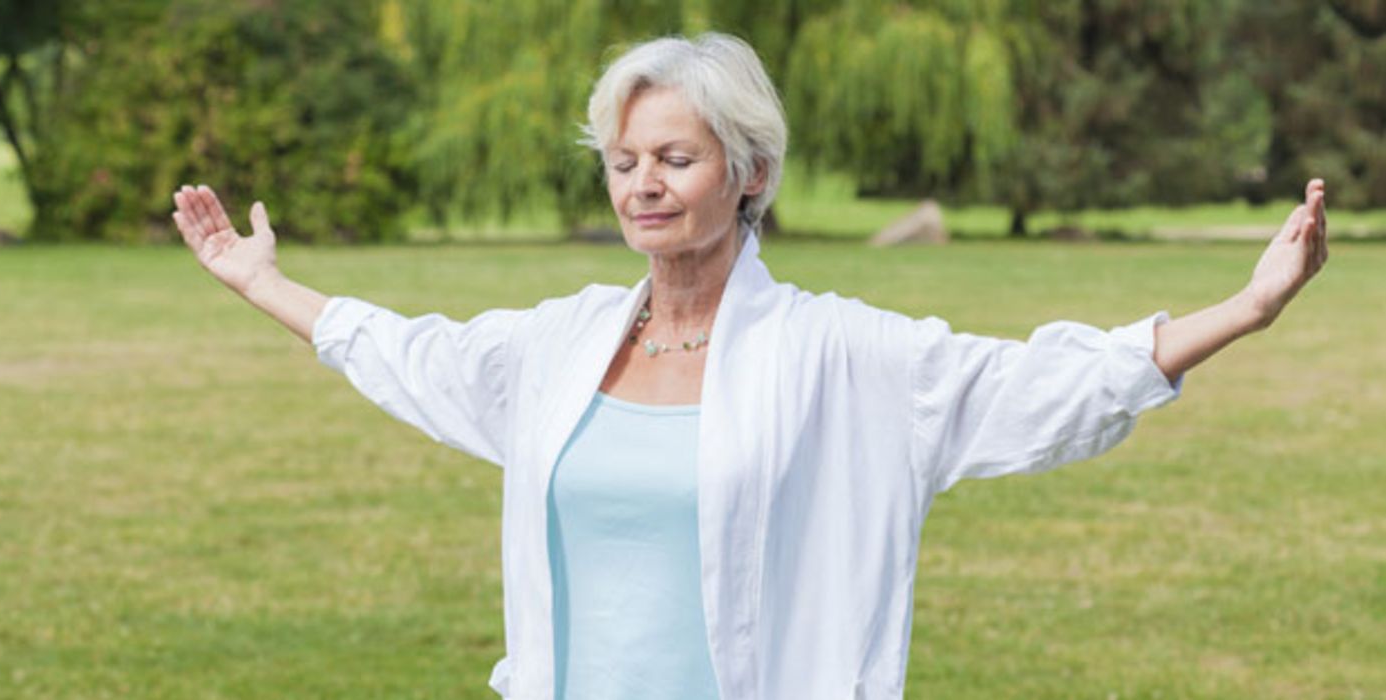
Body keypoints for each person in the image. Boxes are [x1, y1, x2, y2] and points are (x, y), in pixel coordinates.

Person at [171, 33, 1328, 700]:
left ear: (750, 173)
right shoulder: (563, 343)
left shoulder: (838, 353)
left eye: (675, 157)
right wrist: (260, 281)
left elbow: (1036, 384)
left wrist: (1246, 306)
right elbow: (408, 352)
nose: (643, 186)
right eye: (624, 162)